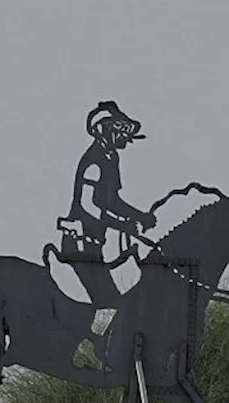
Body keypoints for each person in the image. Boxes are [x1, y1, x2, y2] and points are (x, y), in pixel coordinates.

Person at [53, 100, 158, 309]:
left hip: (95, 239)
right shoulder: (93, 161)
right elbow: (88, 205)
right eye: (119, 131)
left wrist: (139, 216)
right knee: (107, 302)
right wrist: (122, 224)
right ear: (105, 130)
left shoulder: (111, 158)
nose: (125, 139)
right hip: (80, 241)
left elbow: (113, 200)